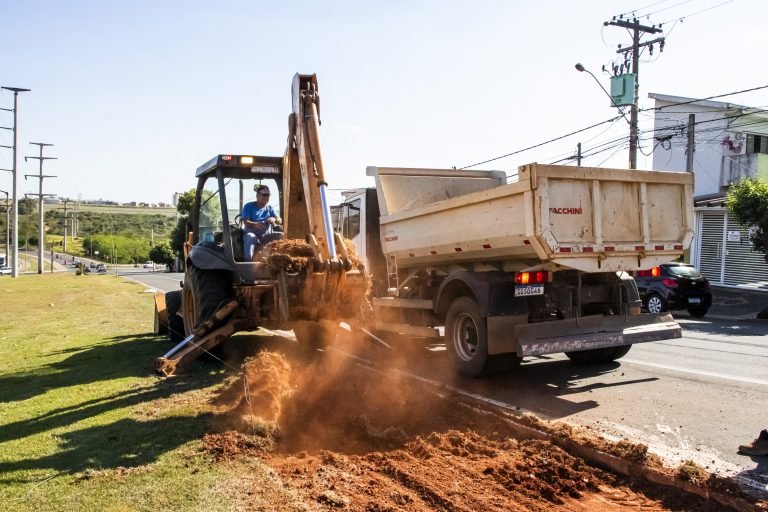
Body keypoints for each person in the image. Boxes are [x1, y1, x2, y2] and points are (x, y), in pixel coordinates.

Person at [242, 184, 282, 260]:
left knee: (280, 235)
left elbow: (280, 220)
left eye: (267, 195)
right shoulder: (248, 206)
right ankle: (248, 263)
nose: (266, 197)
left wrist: (274, 219)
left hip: (265, 235)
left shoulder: (269, 208)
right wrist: (255, 224)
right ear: (257, 195)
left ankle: (278, 262)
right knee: (250, 237)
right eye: (263, 195)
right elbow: (245, 222)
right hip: (252, 233)